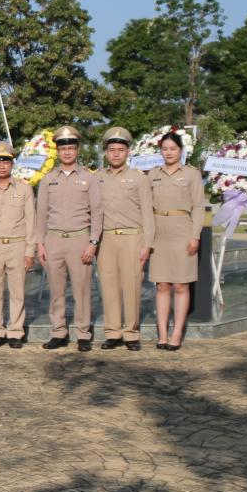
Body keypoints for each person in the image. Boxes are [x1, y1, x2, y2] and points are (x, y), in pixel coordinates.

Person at [35, 125, 103, 352]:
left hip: (79, 239)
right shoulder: (48, 180)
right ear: (57, 151)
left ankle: (83, 333)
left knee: (82, 290)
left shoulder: (89, 178)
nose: (67, 152)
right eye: (63, 148)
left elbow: (97, 212)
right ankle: (59, 332)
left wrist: (93, 242)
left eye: (71, 147)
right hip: (54, 240)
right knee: (56, 291)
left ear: (77, 150)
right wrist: (40, 243)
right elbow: (41, 214)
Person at [96, 127, 154, 351]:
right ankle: (112, 332)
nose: (116, 154)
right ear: (106, 153)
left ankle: (131, 333)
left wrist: (147, 244)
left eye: (120, 150)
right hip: (106, 239)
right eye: (112, 150)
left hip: (132, 238)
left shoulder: (139, 179)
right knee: (108, 285)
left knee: (132, 286)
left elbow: (147, 213)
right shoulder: (97, 178)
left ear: (128, 152)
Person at [148, 131, 207, 351]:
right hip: (159, 232)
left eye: (173, 149)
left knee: (181, 284)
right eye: (164, 149)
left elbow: (199, 207)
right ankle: (162, 333)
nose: (169, 152)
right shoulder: (152, 174)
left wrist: (195, 236)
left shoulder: (191, 174)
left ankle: (176, 333)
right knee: (162, 284)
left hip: (182, 231)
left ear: (181, 150)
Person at [0, 142, 36, 349]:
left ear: (12, 164)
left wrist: (30, 250)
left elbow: (31, 221)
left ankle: (15, 331)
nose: (2, 165)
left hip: (17, 245)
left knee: (17, 292)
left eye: (6, 161)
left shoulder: (24, 188)